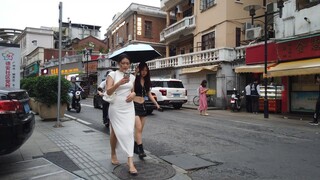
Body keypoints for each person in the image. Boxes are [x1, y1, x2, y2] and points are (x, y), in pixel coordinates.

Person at [106, 53, 137, 175]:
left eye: (127, 63)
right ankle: (113, 153)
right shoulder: (112, 74)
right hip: (116, 107)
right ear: (118, 63)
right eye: (123, 63)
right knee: (115, 132)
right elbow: (108, 92)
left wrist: (133, 94)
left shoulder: (132, 77)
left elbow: (133, 91)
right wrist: (119, 83)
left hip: (129, 107)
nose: (125, 65)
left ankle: (130, 162)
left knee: (129, 132)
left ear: (130, 64)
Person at [133, 62, 160, 159]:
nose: (144, 72)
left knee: (140, 130)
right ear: (139, 69)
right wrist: (135, 74)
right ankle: (141, 150)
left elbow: (149, 94)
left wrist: (156, 104)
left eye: (146, 70)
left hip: (143, 106)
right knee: (138, 128)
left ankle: (135, 145)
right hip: (134, 105)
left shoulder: (147, 81)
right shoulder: (135, 79)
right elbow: (130, 89)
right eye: (142, 70)